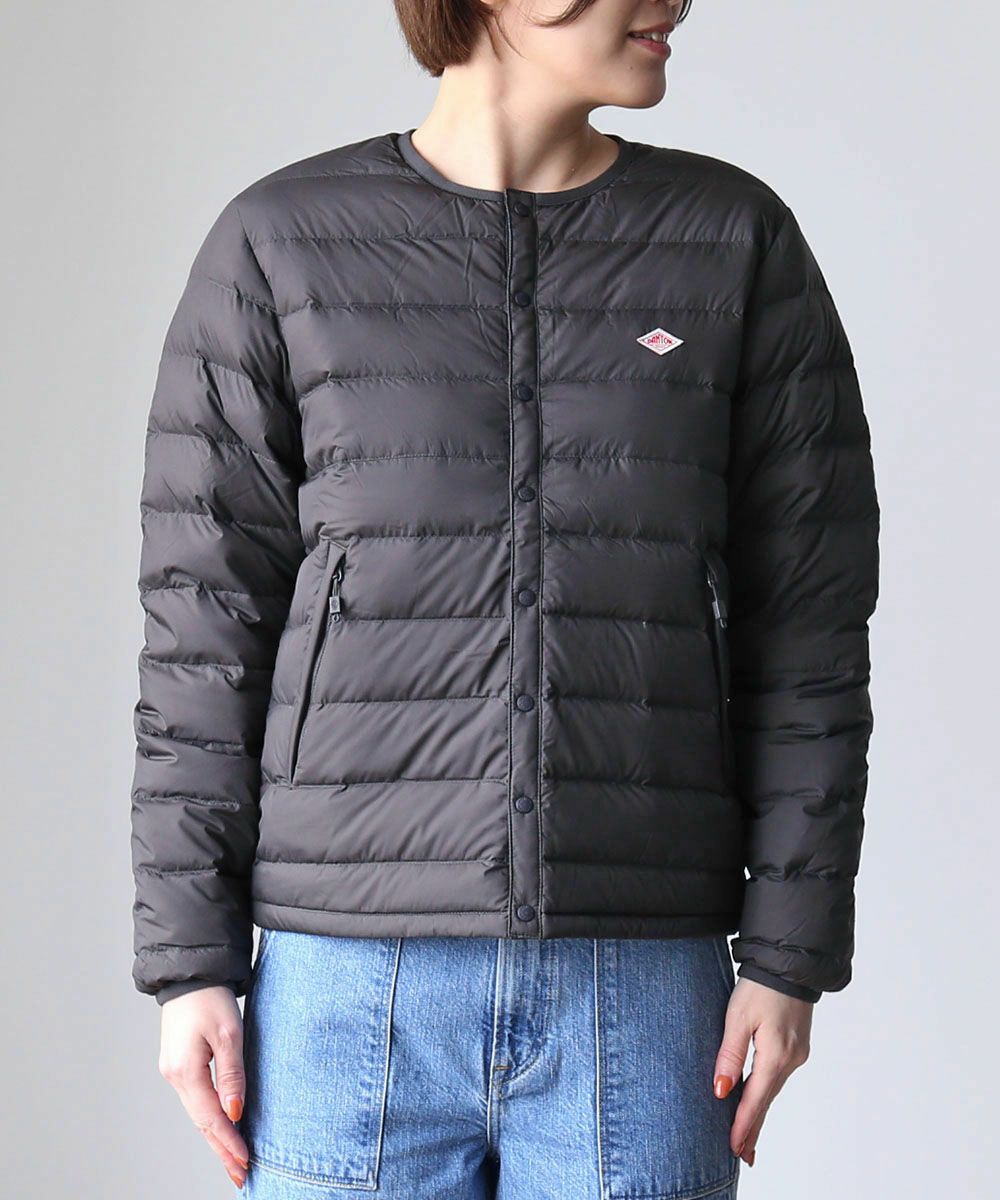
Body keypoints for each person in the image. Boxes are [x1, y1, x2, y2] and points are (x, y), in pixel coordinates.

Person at [129, 1, 880, 1195]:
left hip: (639, 986)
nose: (673, 2)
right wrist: (190, 964)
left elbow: (809, 634)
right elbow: (203, 632)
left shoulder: (732, 241)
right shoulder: (283, 244)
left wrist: (788, 957)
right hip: (344, 988)